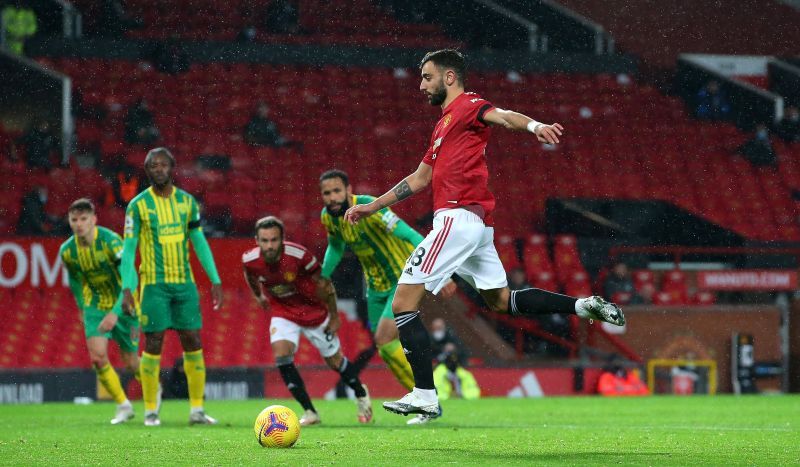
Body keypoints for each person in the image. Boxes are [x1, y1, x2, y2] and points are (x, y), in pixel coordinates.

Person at [344, 49, 625, 417]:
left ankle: (425, 394)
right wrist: (371, 206)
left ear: (449, 77)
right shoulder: (443, 125)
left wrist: (535, 126)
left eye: (427, 77)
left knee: (401, 304)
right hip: (474, 226)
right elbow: (420, 178)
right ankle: (582, 306)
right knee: (500, 301)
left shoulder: (469, 104)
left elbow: (504, 117)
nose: (421, 85)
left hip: (456, 218)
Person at [319, 169, 455, 425]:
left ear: (349, 190)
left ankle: (428, 397)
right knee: (384, 347)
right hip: (375, 287)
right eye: (327, 193)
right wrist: (322, 276)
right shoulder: (328, 218)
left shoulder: (371, 208)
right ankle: (427, 401)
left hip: (402, 279)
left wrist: (440, 270)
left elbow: (408, 233)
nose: (332, 197)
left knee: (384, 336)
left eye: (337, 190)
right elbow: (336, 247)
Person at [120, 147, 224, 427]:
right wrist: (127, 287)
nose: (159, 169)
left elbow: (199, 241)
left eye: (164, 164)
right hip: (153, 285)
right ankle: (151, 410)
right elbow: (129, 250)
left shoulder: (187, 203)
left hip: (184, 286)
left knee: (193, 340)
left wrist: (214, 278)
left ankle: (197, 411)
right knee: (153, 343)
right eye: (153, 165)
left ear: (172, 167)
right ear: (147, 170)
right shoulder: (138, 206)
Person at [242, 216, 372, 426]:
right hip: (283, 311)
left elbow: (325, 282)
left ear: (282, 239)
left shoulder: (299, 255)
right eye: (264, 240)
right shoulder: (249, 260)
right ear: (257, 241)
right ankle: (310, 412)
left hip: (314, 313)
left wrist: (335, 316)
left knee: (335, 362)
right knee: (282, 356)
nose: (269, 245)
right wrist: (258, 296)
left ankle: (360, 392)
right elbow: (250, 275)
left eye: (274, 240)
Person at [59, 198, 142, 424]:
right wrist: (81, 307)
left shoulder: (111, 242)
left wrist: (116, 311)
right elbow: (75, 280)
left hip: (123, 303)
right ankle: (123, 405)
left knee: (131, 362)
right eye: (74, 219)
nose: (78, 224)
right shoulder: (67, 251)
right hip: (94, 304)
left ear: (94, 220)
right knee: (97, 358)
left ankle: (155, 388)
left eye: (83, 219)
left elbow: (131, 276)